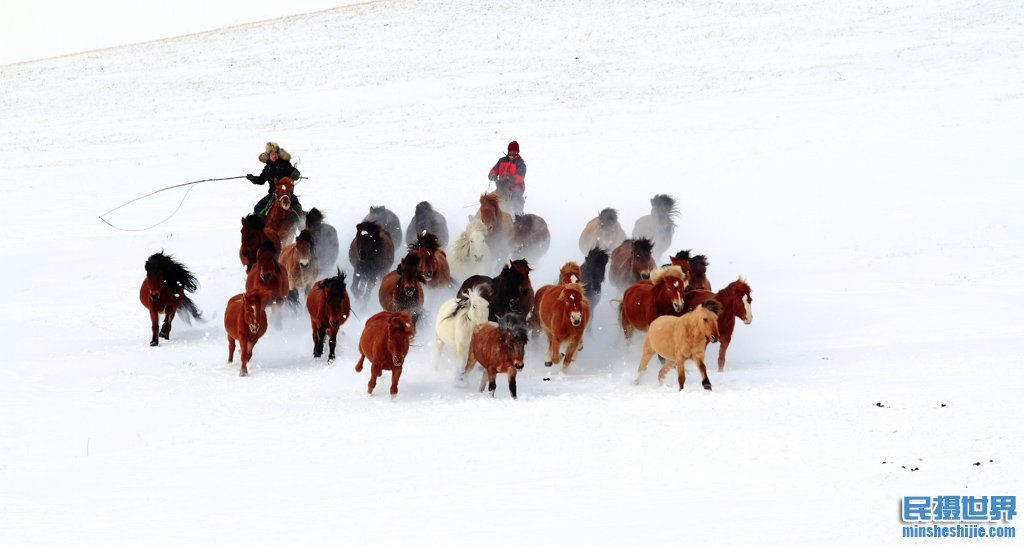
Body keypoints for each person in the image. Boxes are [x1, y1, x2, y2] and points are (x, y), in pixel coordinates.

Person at [246, 142, 301, 215]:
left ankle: (300, 224)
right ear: (268, 155)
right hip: (273, 194)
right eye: (272, 154)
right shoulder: (267, 168)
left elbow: (294, 172)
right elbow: (261, 180)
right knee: (257, 208)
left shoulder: (285, 164)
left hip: (286, 193)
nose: (275, 155)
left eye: (276, 153)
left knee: (296, 205)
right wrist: (252, 178)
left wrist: (295, 174)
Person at [487, 140, 527, 215]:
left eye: (514, 152)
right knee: (488, 200)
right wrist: (492, 175)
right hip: (502, 189)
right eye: (510, 151)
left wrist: (509, 179)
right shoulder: (502, 161)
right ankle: (477, 218)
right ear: (508, 151)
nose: (512, 153)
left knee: (517, 203)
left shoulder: (520, 164)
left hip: (515, 189)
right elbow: (494, 170)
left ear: (517, 152)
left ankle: (518, 218)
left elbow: (520, 177)